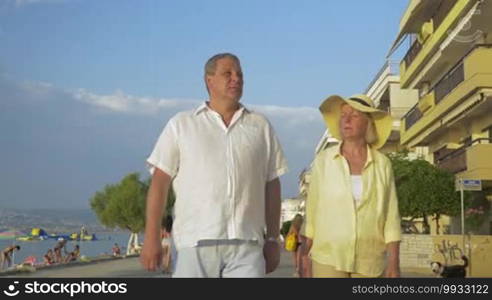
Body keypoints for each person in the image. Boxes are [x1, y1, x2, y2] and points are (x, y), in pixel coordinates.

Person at [141, 53, 288, 278]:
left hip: (247, 245)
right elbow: (160, 183)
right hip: (195, 243)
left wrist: (272, 239)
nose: (236, 79)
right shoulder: (182, 124)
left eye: (239, 74)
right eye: (227, 74)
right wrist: (151, 238)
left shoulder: (260, 126)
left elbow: (272, 184)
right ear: (209, 81)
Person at [300, 94, 401, 278]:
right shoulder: (324, 161)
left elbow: (391, 217)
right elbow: (312, 212)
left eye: (354, 115)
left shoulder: (383, 164)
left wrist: (393, 262)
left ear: (368, 123)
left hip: (369, 259)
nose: (346, 119)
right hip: (328, 256)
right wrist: (304, 256)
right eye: (343, 114)